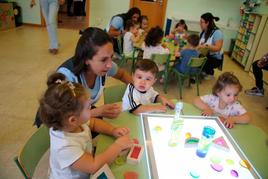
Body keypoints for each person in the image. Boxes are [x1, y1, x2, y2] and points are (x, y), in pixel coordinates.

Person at [39, 72, 133, 179]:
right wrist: (118, 146)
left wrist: (112, 130)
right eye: (89, 107)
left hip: (87, 161)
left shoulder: (70, 123)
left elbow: (93, 123)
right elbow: (93, 166)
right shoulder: (65, 147)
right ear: (73, 120)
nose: (92, 108)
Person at [57, 27, 132, 119]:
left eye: (111, 57)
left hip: (83, 112)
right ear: (86, 59)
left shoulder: (105, 66)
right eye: (103, 59)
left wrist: (140, 89)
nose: (109, 65)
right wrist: (98, 112)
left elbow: (122, 74)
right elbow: (65, 117)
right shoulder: (66, 76)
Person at [198, 12, 224, 80]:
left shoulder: (217, 33)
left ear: (207, 23)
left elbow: (218, 48)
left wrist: (206, 46)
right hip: (205, 54)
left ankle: (210, 73)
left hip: (215, 58)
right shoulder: (203, 32)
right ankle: (204, 70)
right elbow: (199, 43)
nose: (200, 24)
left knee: (200, 61)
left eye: (201, 22)